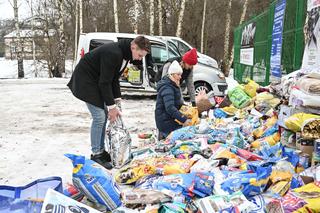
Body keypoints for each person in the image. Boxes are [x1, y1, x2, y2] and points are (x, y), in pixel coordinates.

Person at [67, 36, 151, 169]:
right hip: (85, 81)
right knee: (100, 117)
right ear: (133, 47)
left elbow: (114, 79)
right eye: (140, 55)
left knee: (104, 115)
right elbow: (105, 82)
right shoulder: (114, 53)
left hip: (96, 81)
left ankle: (101, 151)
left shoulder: (126, 55)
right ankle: (96, 154)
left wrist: (117, 101)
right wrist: (112, 107)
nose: (140, 59)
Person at [155, 60, 191, 139]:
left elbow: (176, 102)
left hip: (170, 119)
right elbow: (170, 108)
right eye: (178, 74)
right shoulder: (167, 87)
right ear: (172, 74)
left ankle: (162, 135)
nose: (180, 77)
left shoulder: (173, 85)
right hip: (166, 122)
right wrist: (183, 119)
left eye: (180, 75)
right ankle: (163, 135)